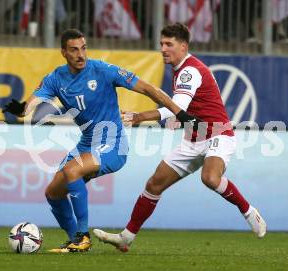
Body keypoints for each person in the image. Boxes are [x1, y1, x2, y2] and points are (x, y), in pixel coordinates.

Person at [2, 28, 198, 253]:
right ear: (63, 52)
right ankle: (76, 239)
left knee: (72, 170)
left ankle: (82, 237)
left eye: (83, 48)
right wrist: (21, 110)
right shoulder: (56, 78)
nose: (80, 54)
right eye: (74, 50)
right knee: (53, 193)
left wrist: (178, 112)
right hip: (86, 142)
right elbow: (32, 104)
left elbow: (147, 88)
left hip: (113, 143)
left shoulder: (103, 70)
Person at [93, 23, 267, 252]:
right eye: (161, 44)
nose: (163, 49)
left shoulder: (189, 71)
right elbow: (181, 111)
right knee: (154, 184)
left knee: (210, 178)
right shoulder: (180, 70)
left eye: (169, 44)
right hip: (193, 139)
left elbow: (179, 109)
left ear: (183, 46)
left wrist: (141, 116)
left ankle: (248, 210)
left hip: (218, 134)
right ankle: (126, 237)